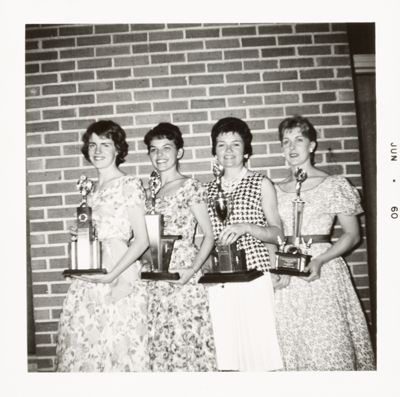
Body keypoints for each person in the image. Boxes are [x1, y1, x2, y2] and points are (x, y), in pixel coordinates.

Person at [273, 115, 375, 370]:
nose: (292, 147)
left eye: (299, 139)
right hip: (288, 275)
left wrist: (320, 259)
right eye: (286, 141)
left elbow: (352, 235)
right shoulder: (274, 190)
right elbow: (273, 233)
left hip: (323, 272)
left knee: (329, 344)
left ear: (312, 145)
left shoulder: (334, 184)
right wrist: (275, 267)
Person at [55, 120, 150, 372]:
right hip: (90, 270)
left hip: (117, 270)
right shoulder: (91, 190)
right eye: (92, 144)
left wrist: (112, 276)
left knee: (116, 342)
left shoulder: (129, 185)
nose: (97, 150)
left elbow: (142, 240)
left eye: (105, 144)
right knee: (86, 343)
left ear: (117, 149)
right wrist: (81, 232)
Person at [206, 117, 284, 371]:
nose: (228, 151)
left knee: (260, 352)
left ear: (246, 150)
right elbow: (206, 238)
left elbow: (277, 234)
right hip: (221, 278)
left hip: (255, 275)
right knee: (228, 355)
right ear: (214, 150)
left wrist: (246, 228)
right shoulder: (208, 190)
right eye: (221, 145)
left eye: (235, 144)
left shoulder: (261, 183)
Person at [143, 122, 216, 371]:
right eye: (154, 149)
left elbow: (209, 235)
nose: (160, 155)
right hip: (155, 276)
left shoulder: (190, 186)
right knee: (162, 342)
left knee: (188, 339)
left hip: (182, 271)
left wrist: (193, 270)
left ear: (179, 152)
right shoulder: (150, 193)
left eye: (166, 148)